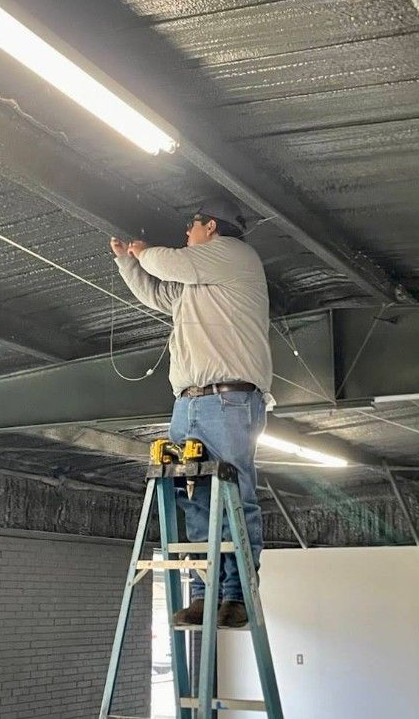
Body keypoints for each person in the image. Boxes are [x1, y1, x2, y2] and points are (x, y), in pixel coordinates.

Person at [110, 197, 272, 628]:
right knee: (196, 496)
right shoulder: (202, 283)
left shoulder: (235, 255)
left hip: (228, 400)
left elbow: (167, 265)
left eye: (191, 227)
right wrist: (129, 264)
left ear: (211, 228)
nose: (186, 233)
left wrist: (144, 252)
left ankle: (237, 595)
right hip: (191, 402)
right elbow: (159, 291)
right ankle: (206, 593)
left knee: (235, 495)